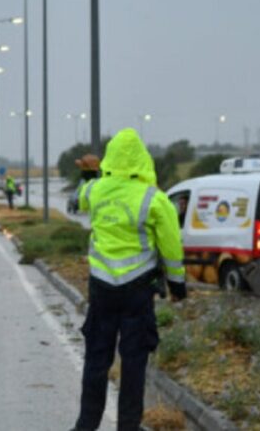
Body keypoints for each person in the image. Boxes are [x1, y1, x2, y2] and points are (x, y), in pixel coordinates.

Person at [72, 129, 186, 431]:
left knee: (96, 360)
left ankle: (86, 424)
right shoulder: (154, 199)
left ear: (111, 158)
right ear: (142, 159)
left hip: (101, 290)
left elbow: (79, 199)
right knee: (134, 365)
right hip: (137, 292)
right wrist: (177, 285)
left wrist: (90, 173)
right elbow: (171, 247)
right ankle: (127, 426)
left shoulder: (97, 190)